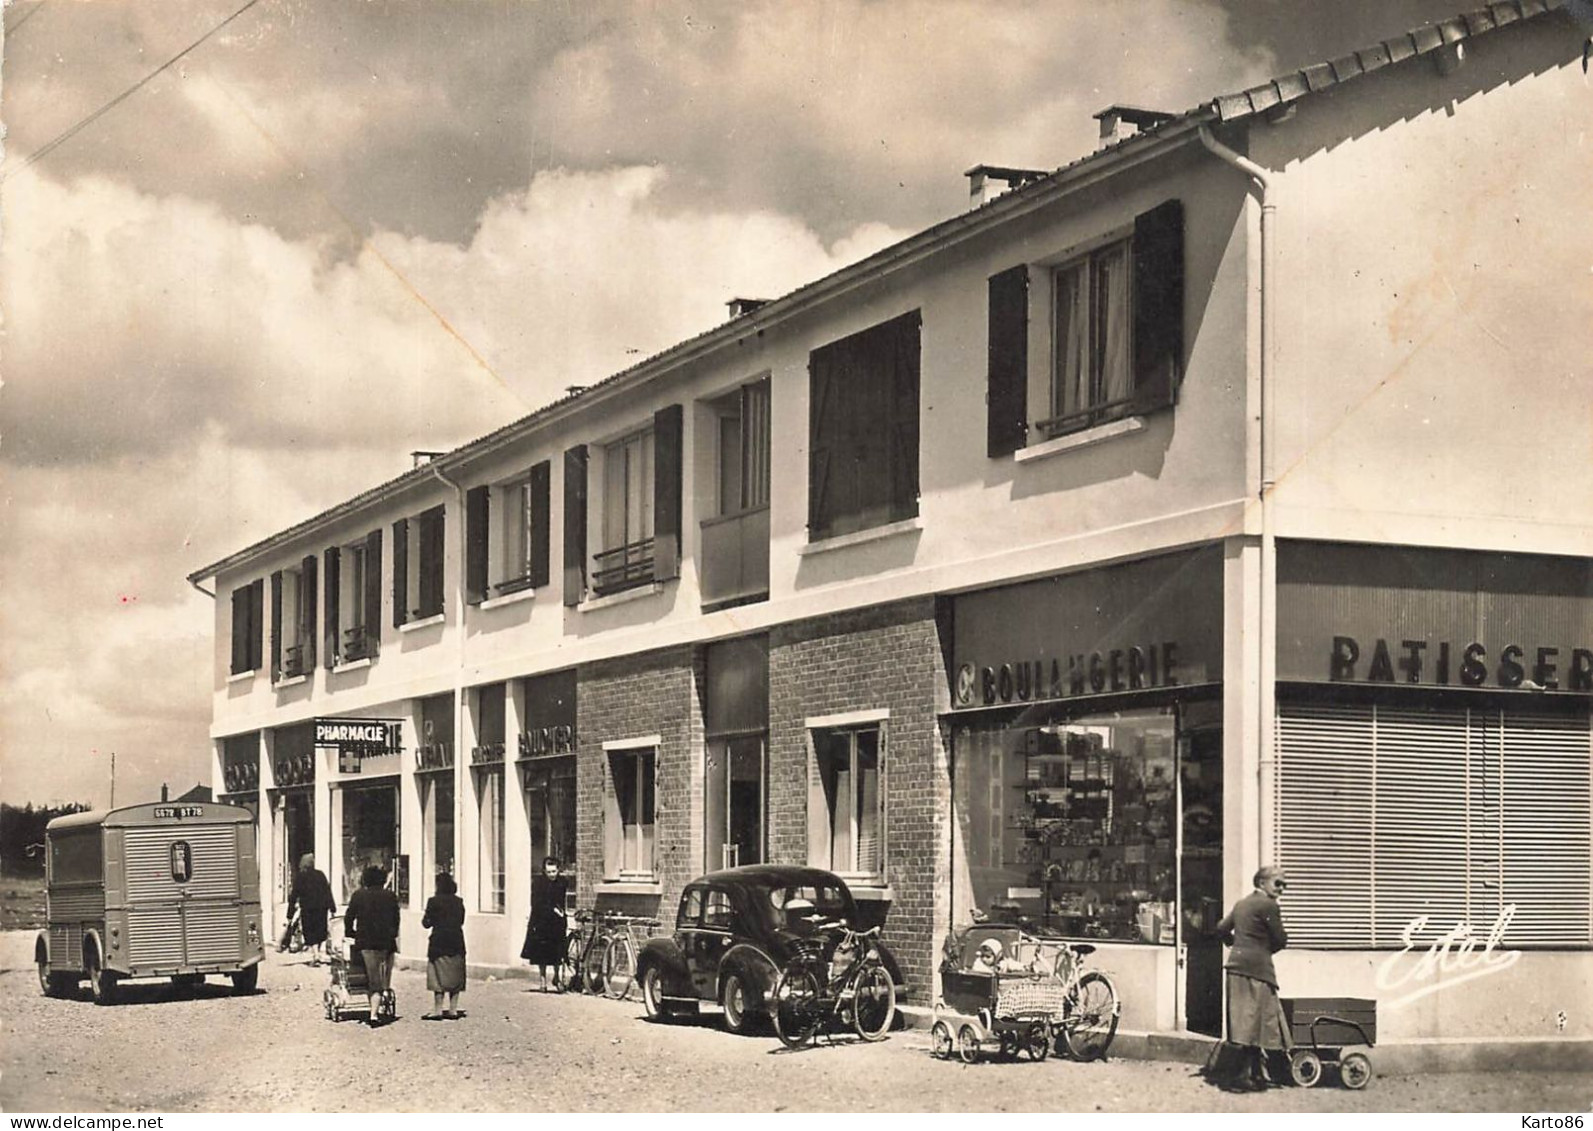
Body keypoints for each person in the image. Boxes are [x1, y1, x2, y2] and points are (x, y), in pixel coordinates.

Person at [1213, 866, 1293, 1092]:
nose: (1282, 889)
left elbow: (1220, 928)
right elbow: (1281, 939)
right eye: (1278, 883)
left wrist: (1234, 945)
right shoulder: (1268, 905)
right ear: (1261, 883)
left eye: (1284, 884)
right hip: (1258, 969)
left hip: (1235, 966)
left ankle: (1253, 1073)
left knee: (1243, 1021)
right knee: (1259, 1022)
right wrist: (1263, 950)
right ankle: (1244, 1075)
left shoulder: (1241, 904)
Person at [344, 864, 401, 1025]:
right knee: (383, 976)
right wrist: (393, 934)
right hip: (386, 942)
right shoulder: (390, 896)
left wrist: (350, 932)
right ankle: (381, 999)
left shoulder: (359, 895)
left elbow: (349, 918)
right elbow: (396, 919)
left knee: (372, 976)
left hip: (365, 942)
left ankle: (373, 1014)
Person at [421, 872, 466, 1020]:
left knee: (437, 977)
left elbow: (426, 923)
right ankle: (453, 1009)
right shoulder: (458, 901)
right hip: (456, 942)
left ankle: (438, 1010)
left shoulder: (433, 901)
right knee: (455, 975)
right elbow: (461, 921)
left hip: (439, 942)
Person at [521, 857, 569, 991]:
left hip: (557, 922)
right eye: (549, 872)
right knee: (541, 952)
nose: (552, 875)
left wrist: (561, 912)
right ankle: (542, 980)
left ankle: (556, 977)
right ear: (544, 871)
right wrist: (551, 909)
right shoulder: (538, 883)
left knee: (557, 951)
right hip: (541, 920)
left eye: (554, 871)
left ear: (558, 870)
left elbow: (562, 899)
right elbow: (536, 902)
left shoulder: (562, 882)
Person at [286, 853, 335, 966]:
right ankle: (317, 953)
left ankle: (316, 954)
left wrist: (289, 914)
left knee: (310, 931)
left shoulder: (300, 877)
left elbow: (293, 896)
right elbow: (327, 891)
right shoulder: (320, 875)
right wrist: (332, 907)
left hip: (308, 909)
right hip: (321, 908)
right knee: (320, 930)